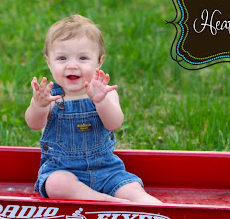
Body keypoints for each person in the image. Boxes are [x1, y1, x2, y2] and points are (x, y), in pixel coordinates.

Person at [25, 14, 161, 204]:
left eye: (83, 58)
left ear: (99, 61)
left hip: (106, 170)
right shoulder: (50, 97)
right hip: (63, 170)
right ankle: (103, 200)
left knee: (132, 187)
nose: (72, 65)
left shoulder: (105, 93)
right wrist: (38, 105)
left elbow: (114, 124)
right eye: (62, 58)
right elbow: (34, 123)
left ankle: (155, 209)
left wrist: (101, 101)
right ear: (49, 62)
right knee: (56, 184)